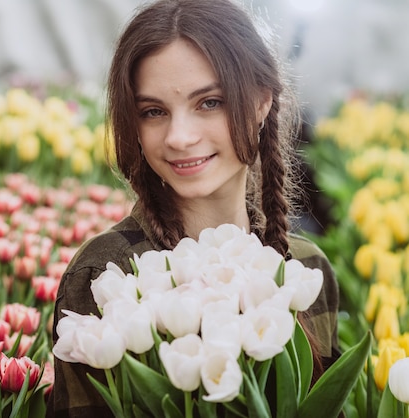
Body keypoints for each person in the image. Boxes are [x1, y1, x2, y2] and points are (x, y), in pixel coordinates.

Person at [47, 0, 341, 416]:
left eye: (209, 103)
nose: (179, 137)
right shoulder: (105, 274)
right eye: (153, 112)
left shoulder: (307, 272)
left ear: (261, 101)